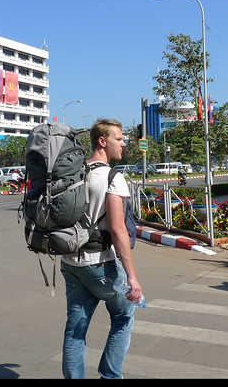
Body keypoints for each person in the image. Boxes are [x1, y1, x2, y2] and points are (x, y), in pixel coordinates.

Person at [60, 118, 142, 379]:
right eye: (119, 138)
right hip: (100, 264)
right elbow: (117, 230)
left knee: (75, 330)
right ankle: (109, 376)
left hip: (70, 262)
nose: (123, 143)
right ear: (102, 141)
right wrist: (131, 278)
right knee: (123, 318)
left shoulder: (74, 173)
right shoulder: (112, 177)